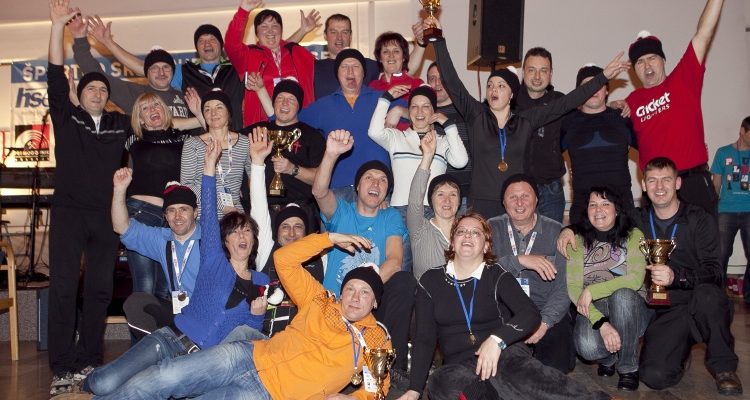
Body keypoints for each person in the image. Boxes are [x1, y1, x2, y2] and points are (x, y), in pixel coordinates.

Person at [90, 232, 392, 400]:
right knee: (164, 376)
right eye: (351, 288)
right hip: (245, 355)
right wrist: (329, 238)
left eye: (365, 292)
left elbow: (378, 388)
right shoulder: (320, 299)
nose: (355, 297)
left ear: (375, 301)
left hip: (267, 395)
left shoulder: (376, 339)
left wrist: (351, 399)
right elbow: (284, 259)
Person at [83, 139, 271, 395]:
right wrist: (119, 190)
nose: (178, 216)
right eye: (171, 211)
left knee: (143, 386)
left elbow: (248, 336)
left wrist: (258, 316)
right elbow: (122, 227)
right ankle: (88, 383)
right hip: (174, 332)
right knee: (103, 383)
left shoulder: (255, 278)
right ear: (225, 239)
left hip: (200, 358)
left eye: (246, 232)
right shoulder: (205, 254)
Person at [558, 157, 742, 396]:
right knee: (654, 376)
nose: (659, 186)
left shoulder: (700, 218)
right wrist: (568, 230)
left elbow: (715, 272)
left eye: (666, 180)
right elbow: (602, 219)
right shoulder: (637, 219)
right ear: (644, 185)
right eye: (652, 180)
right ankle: (681, 348)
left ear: (677, 183)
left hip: (697, 297)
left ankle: (724, 368)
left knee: (710, 297)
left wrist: (678, 277)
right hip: (664, 309)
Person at [429, 18, 631, 218]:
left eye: (501, 86)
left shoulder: (525, 121)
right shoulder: (476, 115)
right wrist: (439, 41)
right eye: (490, 85)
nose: (493, 90)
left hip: (515, 204)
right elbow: (452, 82)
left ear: (512, 94)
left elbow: (568, 102)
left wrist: (603, 77)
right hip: (481, 204)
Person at [399, 213, 612, 400]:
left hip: (504, 354)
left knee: (526, 377)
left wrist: (497, 340)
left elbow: (530, 313)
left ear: (486, 246)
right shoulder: (430, 280)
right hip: (461, 366)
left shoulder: (497, 274)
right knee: (440, 382)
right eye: (461, 232)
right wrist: (414, 389)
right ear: (452, 243)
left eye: (476, 233)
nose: (468, 236)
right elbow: (424, 338)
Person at [46, 1, 132, 395]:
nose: (97, 92)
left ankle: (89, 360)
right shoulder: (68, 118)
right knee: (64, 288)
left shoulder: (118, 124)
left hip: (105, 216)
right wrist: (57, 26)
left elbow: (156, 119)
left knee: (99, 290)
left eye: (102, 88)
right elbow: (54, 73)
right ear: (79, 95)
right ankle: (62, 366)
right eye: (90, 88)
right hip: (68, 213)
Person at [312, 129, 415, 383]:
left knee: (404, 281)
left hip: (372, 304)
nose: (376, 184)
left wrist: (364, 289)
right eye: (369, 178)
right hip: (335, 303)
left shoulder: (390, 216)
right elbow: (319, 192)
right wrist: (331, 154)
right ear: (357, 187)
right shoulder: (342, 212)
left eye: (383, 180)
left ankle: (391, 366)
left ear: (386, 192)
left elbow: (394, 260)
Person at [620, 0, 725, 215]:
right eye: (640, 62)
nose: (647, 65)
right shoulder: (631, 101)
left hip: (692, 184)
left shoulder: (683, 79)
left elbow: (703, 34)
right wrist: (613, 105)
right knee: (655, 239)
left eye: (652, 58)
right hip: (656, 190)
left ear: (663, 60)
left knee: (703, 238)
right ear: (634, 70)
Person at [565, 187, 650, 391]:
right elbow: (574, 289)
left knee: (622, 296)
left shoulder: (634, 235)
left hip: (630, 307)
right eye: (593, 205)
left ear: (617, 209)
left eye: (605, 204)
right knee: (587, 348)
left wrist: (592, 290)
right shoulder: (576, 240)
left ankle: (628, 366)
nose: (598, 210)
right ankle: (609, 357)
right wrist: (601, 323)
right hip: (593, 308)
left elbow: (635, 280)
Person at [122, 92, 204, 300]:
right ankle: (142, 324)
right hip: (142, 213)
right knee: (145, 285)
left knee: (169, 287)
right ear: (140, 118)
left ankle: (167, 324)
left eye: (156, 105)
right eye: (145, 108)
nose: (152, 110)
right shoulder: (134, 138)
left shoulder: (183, 138)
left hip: (173, 218)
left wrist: (198, 113)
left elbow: (213, 133)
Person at [487, 174, 572, 373]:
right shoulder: (489, 229)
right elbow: (481, 272)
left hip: (545, 310)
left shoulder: (557, 232)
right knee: (504, 369)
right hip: (503, 310)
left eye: (525, 196)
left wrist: (544, 323)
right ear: (503, 202)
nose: (519, 203)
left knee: (555, 368)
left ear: (536, 199)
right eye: (512, 197)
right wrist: (519, 260)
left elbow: (564, 287)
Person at [300, 49, 393, 199]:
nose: (350, 71)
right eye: (344, 67)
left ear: (363, 73)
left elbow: (416, 112)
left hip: (377, 189)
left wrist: (399, 111)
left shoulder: (382, 98)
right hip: (338, 189)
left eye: (356, 66)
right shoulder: (323, 105)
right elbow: (287, 119)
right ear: (337, 74)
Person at [368, 85, 467, 214]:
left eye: (425, 106)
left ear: (434, 111)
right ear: (409, 111)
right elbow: (374, 132)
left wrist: (449, 125)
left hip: (433, 210)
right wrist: (386, 98)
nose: (419, 112)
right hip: (400, 209)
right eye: (414, 106)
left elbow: (460, 162)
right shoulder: (397, 137)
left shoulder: (442, 141)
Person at [70, 14, 189, 119]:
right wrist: (80, 39)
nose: (161, 72)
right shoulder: (135, 94)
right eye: (155, 68)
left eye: (166, 67)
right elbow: (94, 72)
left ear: (173, 71)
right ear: (146, 73)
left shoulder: (186, 96)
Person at [561, 65, 637, 225]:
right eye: (587, 85)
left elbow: (651, 148)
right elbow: (546, 157)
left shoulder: (622, 118)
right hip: (583, 212)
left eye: (598, 83)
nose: (593, 89)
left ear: (607, 90)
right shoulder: (567, 123)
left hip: (623, 211)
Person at [225, 0, 316, 126]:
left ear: (281, 31)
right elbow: (231, 45)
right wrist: (243, 11)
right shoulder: (249, 56)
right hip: (261, 128)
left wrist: (302, 31)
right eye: (264, 26)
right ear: (256, 34)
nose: (270, 31)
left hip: (299, 124)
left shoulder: (298, 53)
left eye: (275, 26)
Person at [242, 79, 325, 211]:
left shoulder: (312, 136)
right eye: (280, 98)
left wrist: (292, 169)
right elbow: (225, 136)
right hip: (261, 211)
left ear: (299, 106)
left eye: (291, 99)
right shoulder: (258, 130)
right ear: (273, 103)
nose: (285, 103)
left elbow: (322, 179)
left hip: (300, 211)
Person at [180, 89, 252, 219]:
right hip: (203, 212)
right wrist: (221, 205)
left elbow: (254, 179)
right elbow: (186, 186)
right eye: (207, 109)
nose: (213, 113)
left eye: (219, 107)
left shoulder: (245, 142)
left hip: (235, 214)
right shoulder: (192, 144)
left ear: (228, 112)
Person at [515, 47, 566, 223]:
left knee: (552, 240)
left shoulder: (560, 102)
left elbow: (585, 115)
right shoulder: (510, 101)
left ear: (550, 74)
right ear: (523, 72)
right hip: (516, 190)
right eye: (532, 70)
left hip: (551, 190)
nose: (537, 76)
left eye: (543, 70)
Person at [407, 131, 462, 279]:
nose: (447, 200)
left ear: (459, 201)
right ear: (431, 201)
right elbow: (414, 200)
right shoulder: (419, 228)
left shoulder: (467, 231)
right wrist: (428, 156)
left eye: (453, 194)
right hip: (426, 294)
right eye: (440, 194)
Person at [711, 116, 750, 304]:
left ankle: (748, 294)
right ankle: (718, 293)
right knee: (721, 254)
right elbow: (716, 184)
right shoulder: (723, 152)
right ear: (742, 131)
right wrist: (714, 207)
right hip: (726, 210)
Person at [426, 62, 470, 212]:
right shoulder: (423, 115)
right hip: (435, 194)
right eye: (432, 78)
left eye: (442, 78)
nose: (437, 83)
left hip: (466, 194)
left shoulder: (468, 110)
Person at [314, 13, 379, 98]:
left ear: (350, 36)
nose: (339, 38)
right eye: (333, 32)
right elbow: (293, 53)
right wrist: (302, 31)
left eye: (344, 32)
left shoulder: (369, 66)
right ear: (325, 36)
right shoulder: (314, 68)